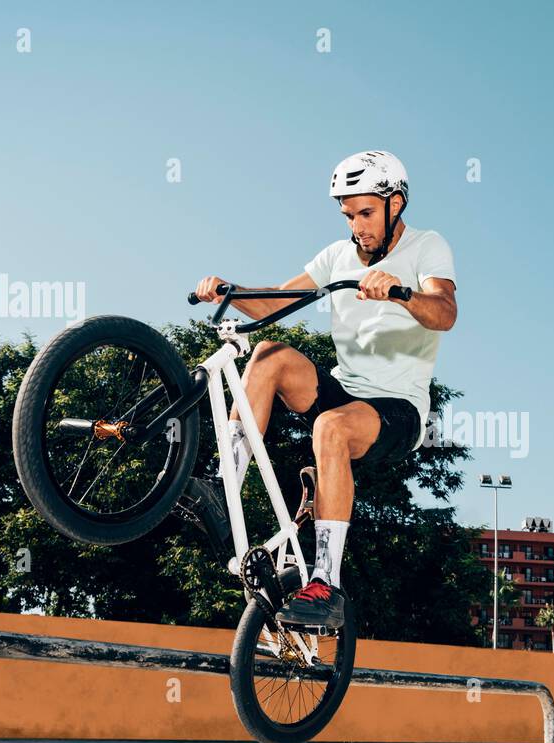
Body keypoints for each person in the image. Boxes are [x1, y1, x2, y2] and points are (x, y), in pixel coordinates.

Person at [178, 150, 457, 631]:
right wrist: (229, 290)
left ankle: (327, 584)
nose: (358, 226)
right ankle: (225, 489)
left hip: (397, 411)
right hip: (344, 391)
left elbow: (445, 312)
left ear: (396, 204)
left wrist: (400, 292)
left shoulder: (428, 247)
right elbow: (276, 303)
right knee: (268, 354)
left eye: (366, 213)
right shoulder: (338, 256)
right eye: (349, 215)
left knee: (330, 427)